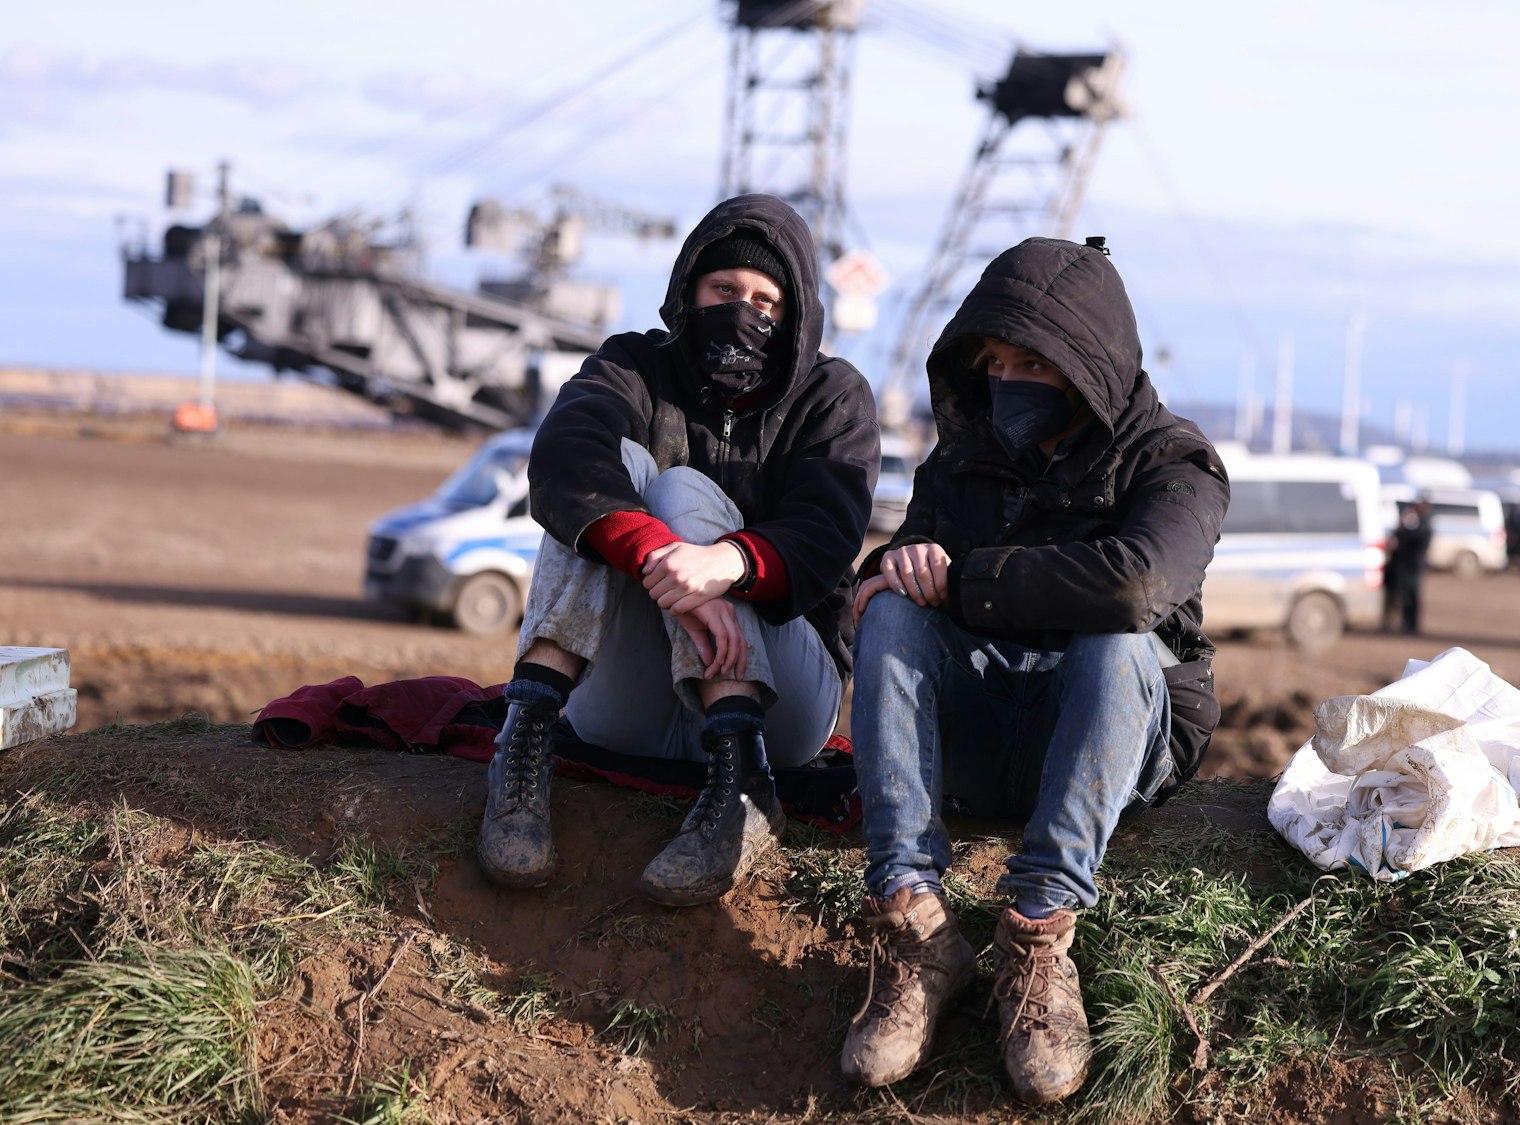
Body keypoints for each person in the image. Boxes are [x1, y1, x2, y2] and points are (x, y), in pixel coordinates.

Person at [838, 236, 1229, 1105]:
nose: (1008, 381)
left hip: (1111, 743)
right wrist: (891, 569)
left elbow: (1136, 584)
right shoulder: (963, 456)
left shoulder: (1176, 464)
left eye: (1034, 364)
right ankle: (913, 921)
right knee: (893, 610)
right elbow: (898, 569)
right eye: (996, 363)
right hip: (986, 735)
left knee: (1118, 639)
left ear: (1090, 367)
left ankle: (1040, 933)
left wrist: (969, 581)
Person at [476, 194, 879, 907]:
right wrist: (658, 557)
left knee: (683, 488)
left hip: (784, 706)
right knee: (605, 477)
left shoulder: (832, 395)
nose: (743, 310)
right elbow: (562, 458)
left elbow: (828, 532)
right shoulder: (633, 364)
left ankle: (745, 789)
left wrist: (727, 566)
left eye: (765, 300)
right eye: (724, 289)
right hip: (631, 704)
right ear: (690, 289)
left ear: (795, 314)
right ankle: (523, 747)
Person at [1385, 499, 1432, 634]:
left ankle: (1411, 624)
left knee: (1411, 596)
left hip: (1413, 567)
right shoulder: (1415, 523)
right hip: (1408, 566)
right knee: (1406, 595)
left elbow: (1414, 544)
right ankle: (1407, 623)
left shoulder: (1423, 526)